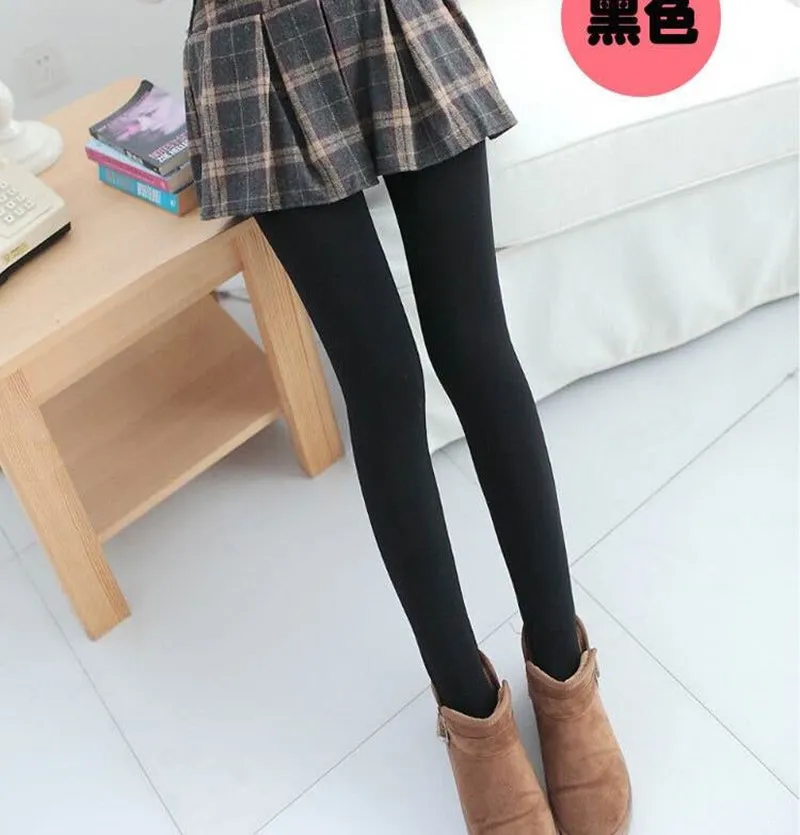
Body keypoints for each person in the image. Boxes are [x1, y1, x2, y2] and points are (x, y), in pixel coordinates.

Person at [184, 2, 631, 833]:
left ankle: (564, 672)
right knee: (382, 382)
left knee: (475, 346)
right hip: (249, 43)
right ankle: (470, 713)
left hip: (390, 16)